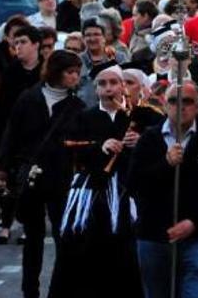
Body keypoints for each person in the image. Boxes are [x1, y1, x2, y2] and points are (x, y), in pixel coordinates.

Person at [128, 80, 198, 298]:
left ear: (197, 107)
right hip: (155, 237)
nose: (180, 106)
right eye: (174, 101)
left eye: (187, 101)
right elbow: (134, 184)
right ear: (165, 105)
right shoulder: (149, 140)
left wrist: (195, 222)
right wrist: (165, 164)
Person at [0, 50, 85, 298]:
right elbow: (11, 134)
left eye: (77, 72)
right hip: (31, 175)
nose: (74, 77)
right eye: (69, 72)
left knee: (62, 236)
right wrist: (1, 169)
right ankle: (29, 290)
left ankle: (60, 290)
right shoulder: (29, 98)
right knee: (32, 238)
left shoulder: (76, 105)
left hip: (62, 176)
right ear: (56, 72)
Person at [53, 63, 143, 298]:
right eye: (103, 83)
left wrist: (139, 142)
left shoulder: (138, 117)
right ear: (95, 89)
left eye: (114, 83)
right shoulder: (84, 117)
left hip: (127, 194)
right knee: (83, 251)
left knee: (126, 253)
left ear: (123, 86)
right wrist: (99, 147)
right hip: (91, 194)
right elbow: (68, 147)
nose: (108, 88)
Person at [0, 26, 45, 245]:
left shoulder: (45, 71)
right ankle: (5, 224)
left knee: (31, 181)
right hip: (13, 132)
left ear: (36, 44)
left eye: (22, 42)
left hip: (39, 134)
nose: (17, 47)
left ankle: (27, 226)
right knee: (8, 179)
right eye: (15, 43)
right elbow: (1, 106)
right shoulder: (12, 71)